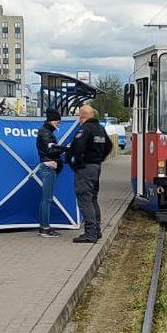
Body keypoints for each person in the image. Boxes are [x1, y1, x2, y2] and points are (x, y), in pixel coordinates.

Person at [68, 105, 111, 244]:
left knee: (85, 199)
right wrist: (99, 159)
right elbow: (109, 146)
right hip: (96, 167)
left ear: (81, 116)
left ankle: (90, 233)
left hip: (85, 168)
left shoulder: (85, 128)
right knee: (92, 198)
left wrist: (76, 162)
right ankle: (97, 230)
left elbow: (77, 147)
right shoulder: (100, 129)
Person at [36, 108, 65, 238]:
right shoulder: (45, 132)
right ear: (52, 120)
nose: (58, 124)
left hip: (48, 167)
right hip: (49, 168)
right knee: (47, 199)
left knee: (45, 199)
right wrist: (66, 148)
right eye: (58, 121)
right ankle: (45, 229)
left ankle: (43, 226)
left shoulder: (45, 131)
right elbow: (51, 150)